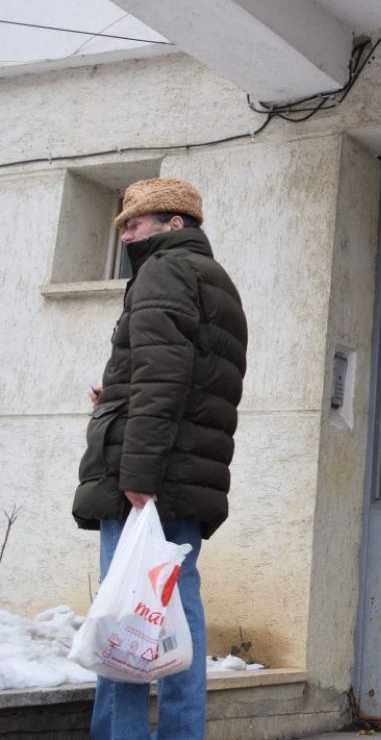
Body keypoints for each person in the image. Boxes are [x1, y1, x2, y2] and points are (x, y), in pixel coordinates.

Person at [72, 177, 247, 740]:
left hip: (149, 475)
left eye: (135, 223)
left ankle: (119, 735)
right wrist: (118, 394)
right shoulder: (213, 279)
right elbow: (188, 378)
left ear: (175, 223)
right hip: (189, 471)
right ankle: (180, 733)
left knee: (124, 615)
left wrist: (139, 475)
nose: (125, 234)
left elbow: (163, 379)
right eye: (122, 224)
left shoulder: (163, 272)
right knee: (176, 612)